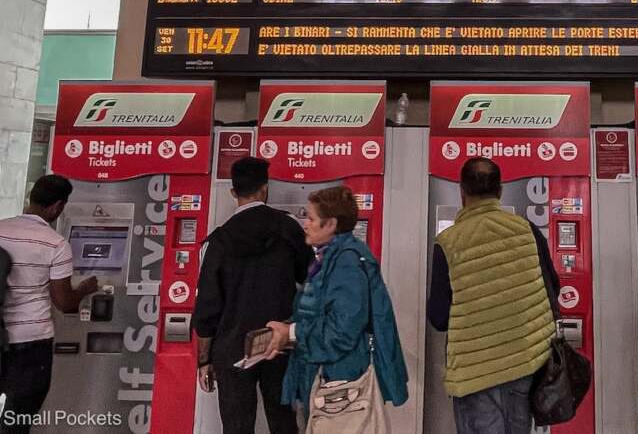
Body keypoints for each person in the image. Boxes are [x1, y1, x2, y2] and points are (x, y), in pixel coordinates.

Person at [0, 175, 98, 434]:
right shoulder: (56, 244)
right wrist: (85, 289)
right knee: (16, 425)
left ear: (32, 197)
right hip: (31, 347)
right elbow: (64, 303)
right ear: (58, 207)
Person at [427, 157, 560, 434]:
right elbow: (552, 288)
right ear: (499, 191)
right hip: (523, 363)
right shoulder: (527, 230)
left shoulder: (448, 242)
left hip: (475, 373)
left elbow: (439, 317)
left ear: (461, 192)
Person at [192, 157, 313, 434]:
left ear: (233, 192)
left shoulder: (216, 242)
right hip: (280, 342)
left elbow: (207, 309)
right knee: (284, 424)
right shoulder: (289, 227)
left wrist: (204, 360)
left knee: (236, 427)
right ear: (265, 188)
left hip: (231, 347)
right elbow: (309, 278)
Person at [265, 185, 408, 416]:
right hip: (328, 375)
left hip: (339, 383)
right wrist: (285, 335)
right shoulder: (330, 258)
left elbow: (342, 330)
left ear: (331, 224)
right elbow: (319, 315)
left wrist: (292, 333)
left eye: (311, 219)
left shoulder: (346, 264)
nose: (305, 225)